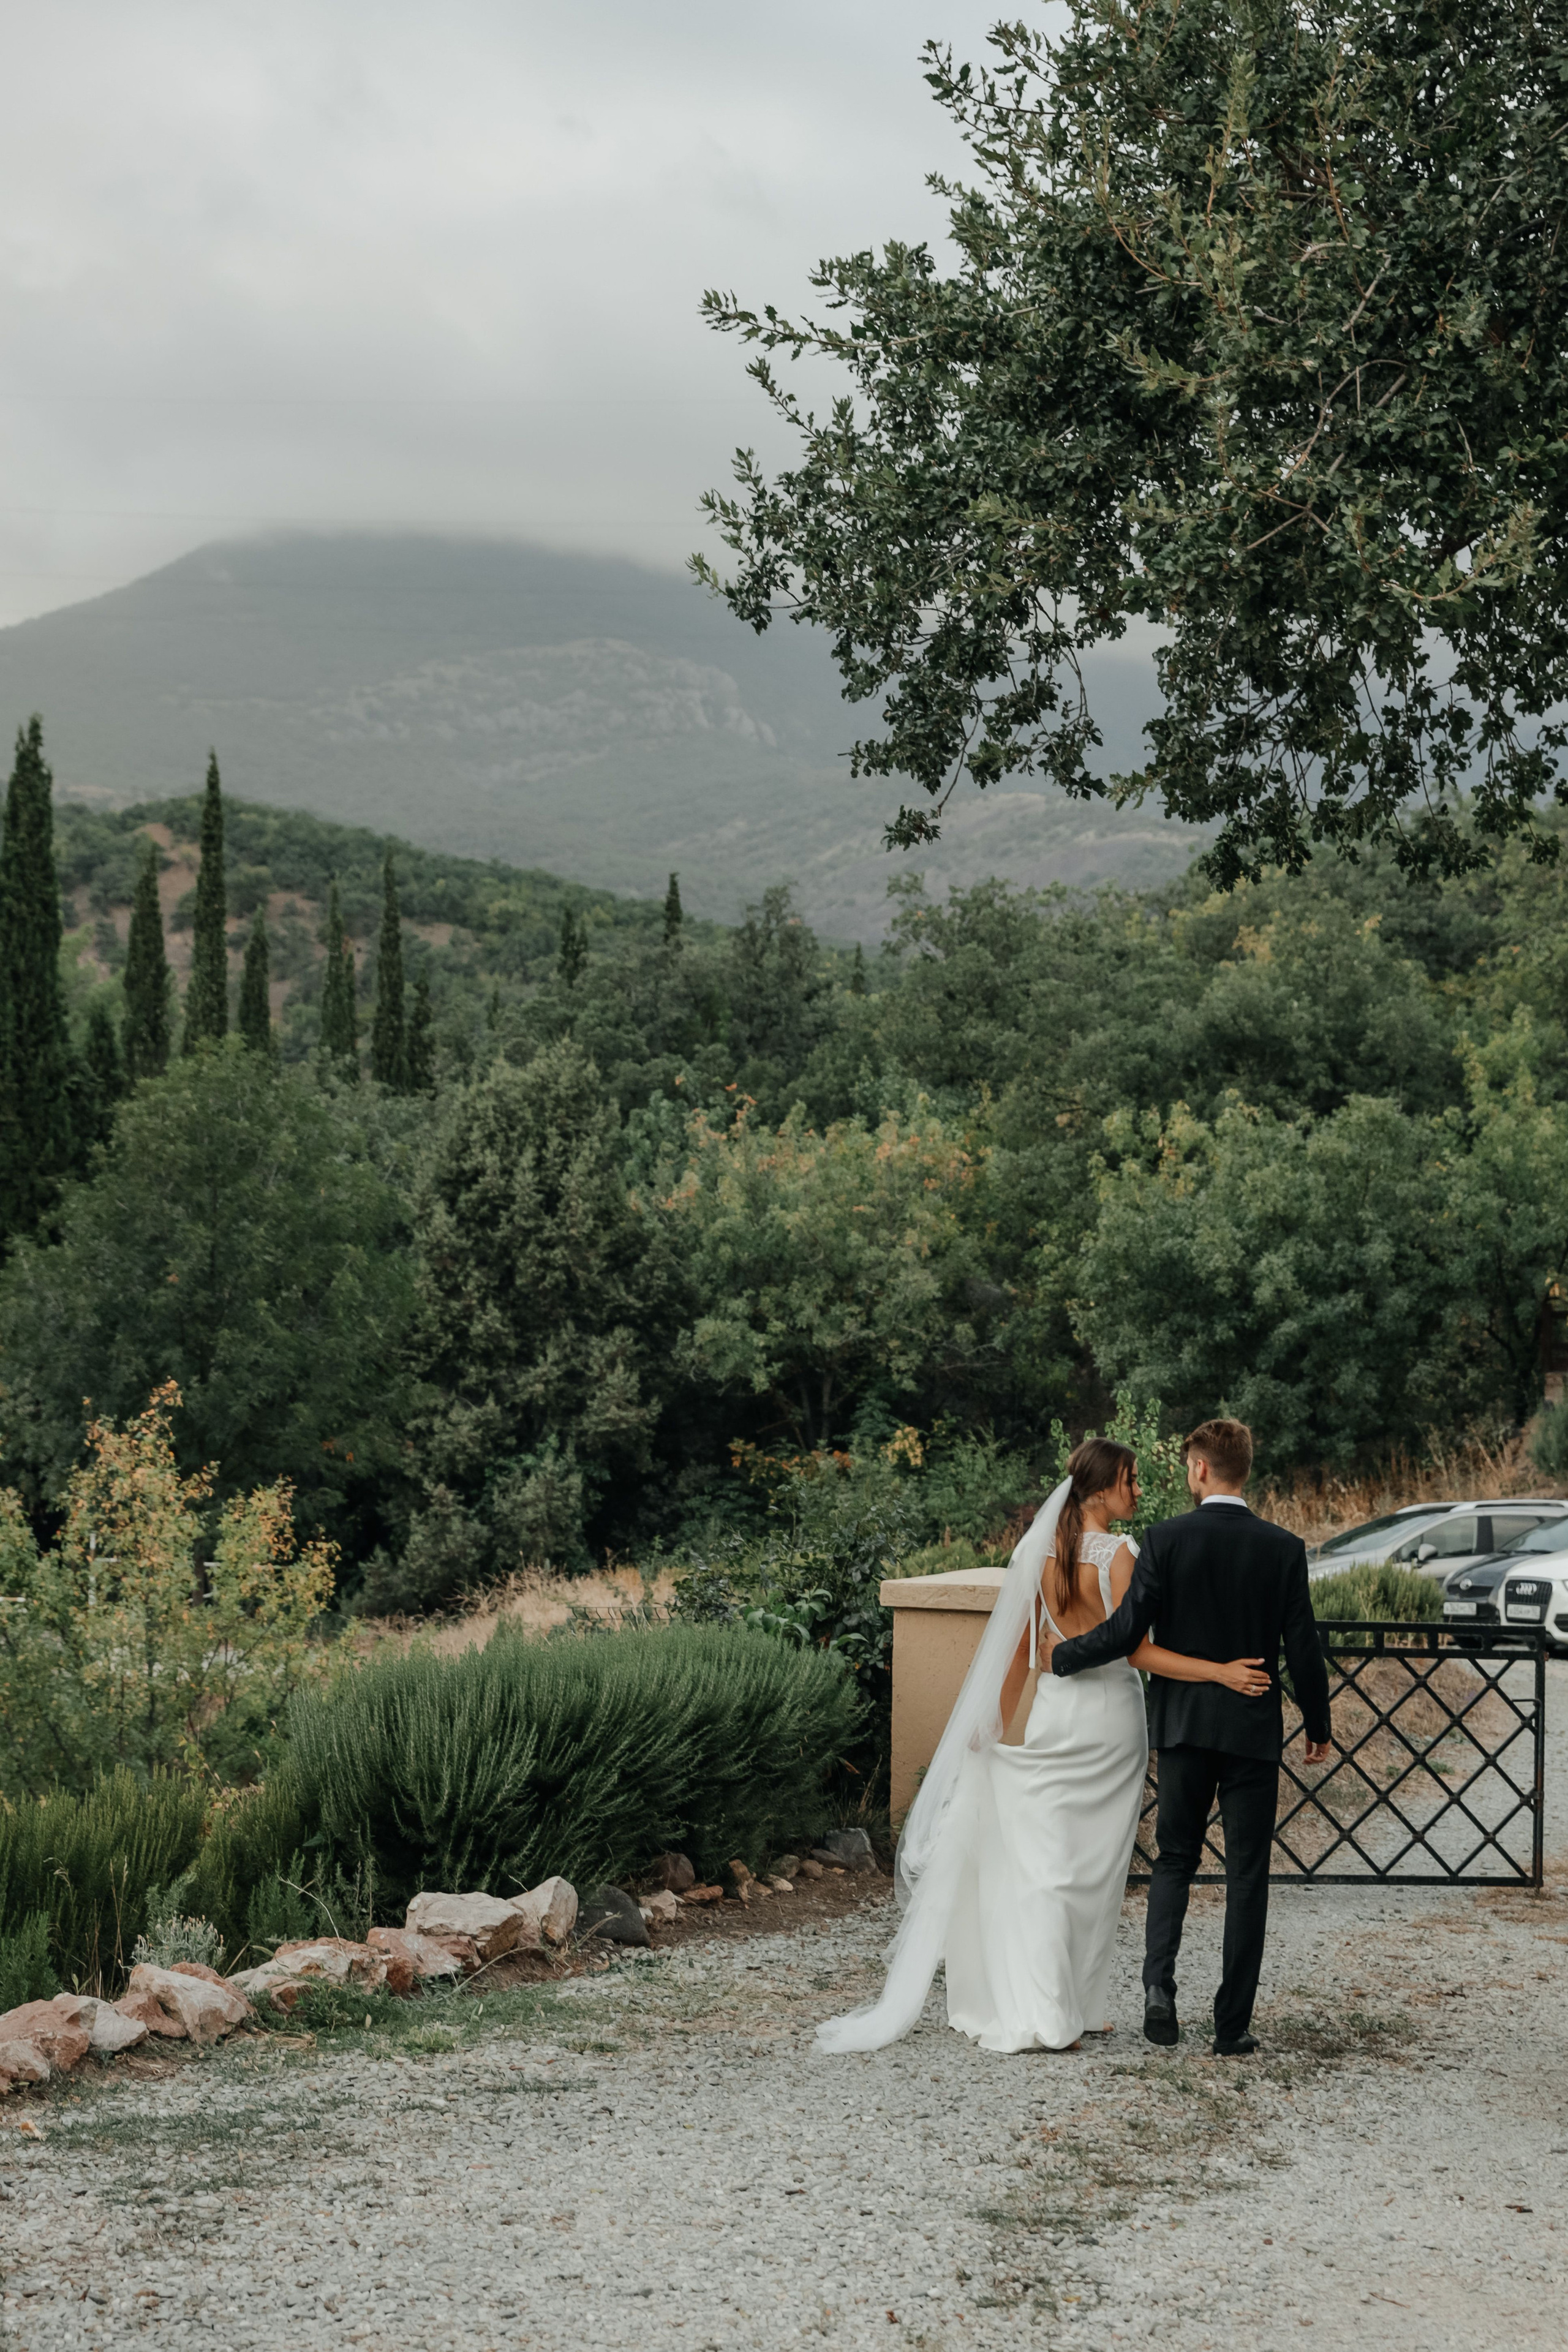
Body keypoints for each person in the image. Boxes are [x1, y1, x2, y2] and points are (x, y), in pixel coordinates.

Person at [816, 1438, 1273, 2056]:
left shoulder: (1039, 1552)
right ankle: (1072, 2005)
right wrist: (1220, 1671)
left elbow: (1020, 1656)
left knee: (1050, 1864)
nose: (1137, 1491)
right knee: (1095, 1871)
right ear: (1105, 1486)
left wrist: (996, 1728)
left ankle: (1062, 2002)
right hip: (1111, 1720)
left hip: (1056, 1715)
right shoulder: (1119, 1554)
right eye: (1131, 1480)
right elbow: (1134, 1650)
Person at [1046, 1418, 1332, 2058]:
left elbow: (1125, 1634)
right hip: (1252, 1729)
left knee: (1174, 1858)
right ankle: (1231, 2027)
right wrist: (1318, 1724)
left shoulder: (1165, 1539)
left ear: (1200, 1469)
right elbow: (1302, 1646)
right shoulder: (1282, 1547)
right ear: (1243, 1469)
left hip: (1181, 1727)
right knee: (1247, 1875)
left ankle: (1159, 1993)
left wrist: (1061, 1658)